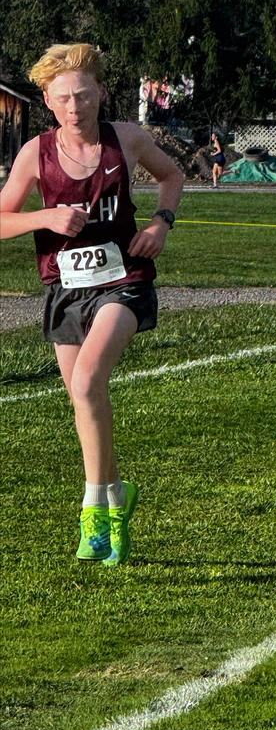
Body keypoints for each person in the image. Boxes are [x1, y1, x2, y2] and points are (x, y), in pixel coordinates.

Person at [0, 43, 184, 564]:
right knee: (85, 401)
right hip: (65, 288)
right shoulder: (34, 153)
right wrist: (44, 219)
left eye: (84, 95)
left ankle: (93, 511)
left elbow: (172, 177)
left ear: (101, 92)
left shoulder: (126, 139)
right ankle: (116, 494)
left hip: (123, 280)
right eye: (64, 99)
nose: (76, 107)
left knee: (86, 381)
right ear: (48, 102)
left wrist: (159, 224)